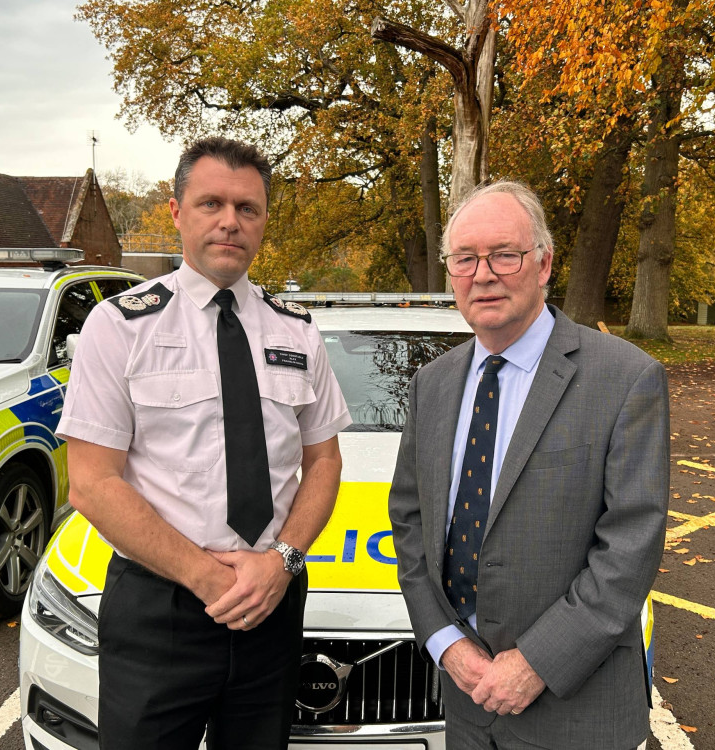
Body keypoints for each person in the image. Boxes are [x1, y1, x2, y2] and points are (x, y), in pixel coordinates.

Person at [57, 137, 351, 749]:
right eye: (211, 203)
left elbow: (323, 460)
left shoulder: (297, 331)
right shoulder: (118, 328)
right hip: (161, 608)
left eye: (248, 208)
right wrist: (205, 577)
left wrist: (284, 561)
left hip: (271, 600)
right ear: (175, 212)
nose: (230, 222)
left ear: (264, 221)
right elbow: (91, 482)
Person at [388, 181, 669, 749]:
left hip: (575, 709)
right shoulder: (432, 385)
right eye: (465, 258)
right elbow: (411, 524)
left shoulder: (625, 378)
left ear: (543, 264)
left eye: (504, 254)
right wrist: (445, 641)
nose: (483, 274)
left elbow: (631, 546)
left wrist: (537, 663)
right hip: (467, 705)